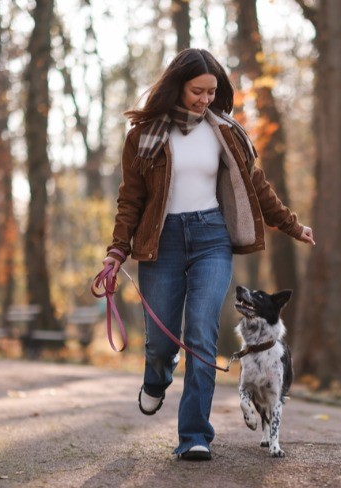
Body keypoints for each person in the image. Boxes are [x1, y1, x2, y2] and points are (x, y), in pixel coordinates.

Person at [102, 48, 315, 461]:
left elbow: (258, 187)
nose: (204, 99)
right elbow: (130, 200)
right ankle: (156, 378)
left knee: (201, 332)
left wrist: (291, 224)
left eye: (211, 91)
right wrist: (116, 251)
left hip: (211, 237)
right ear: (176, 87)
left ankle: (194, 436)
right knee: (161, 343)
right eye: (197, 91)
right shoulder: (143, 136)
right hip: (159, 243)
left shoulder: (226, 132)